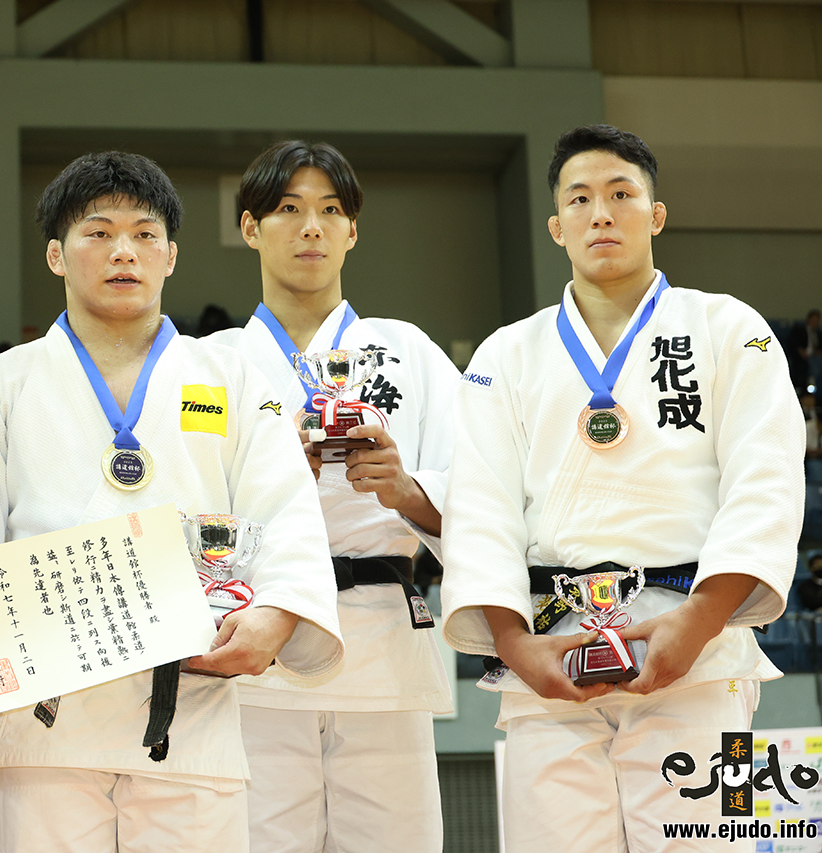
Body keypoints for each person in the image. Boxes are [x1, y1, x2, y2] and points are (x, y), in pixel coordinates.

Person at [0, 151, 343, 853]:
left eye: (143, 234)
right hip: (46, 721)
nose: (122, 251)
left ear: (170, 256)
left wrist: (279, 614)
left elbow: (285, 506)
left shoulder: (230, 376)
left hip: (191, 712)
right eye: (97, 233)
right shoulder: (0, 386)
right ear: (55, 254)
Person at [440, 124, 804, 852]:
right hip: (551, 659)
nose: (600, 212)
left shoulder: (730, 328)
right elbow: (479, 503)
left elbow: (765, 477)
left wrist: (701, 619)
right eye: (580, 199)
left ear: (655, 214)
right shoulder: (505, 354)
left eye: (620, 194)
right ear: (556, 225)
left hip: (698, 655)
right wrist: (513, 644)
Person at [208, 140, 455, 853]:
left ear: (353, 230)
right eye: (288, 209)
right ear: (251, 227)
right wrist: (276, 468)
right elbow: (181, 517)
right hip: (256, 649)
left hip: (383, 645)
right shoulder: (211, 364)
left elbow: (485, 500)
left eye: (330, 210)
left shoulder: (410, 354)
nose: (310, 227)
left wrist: (408, 492)